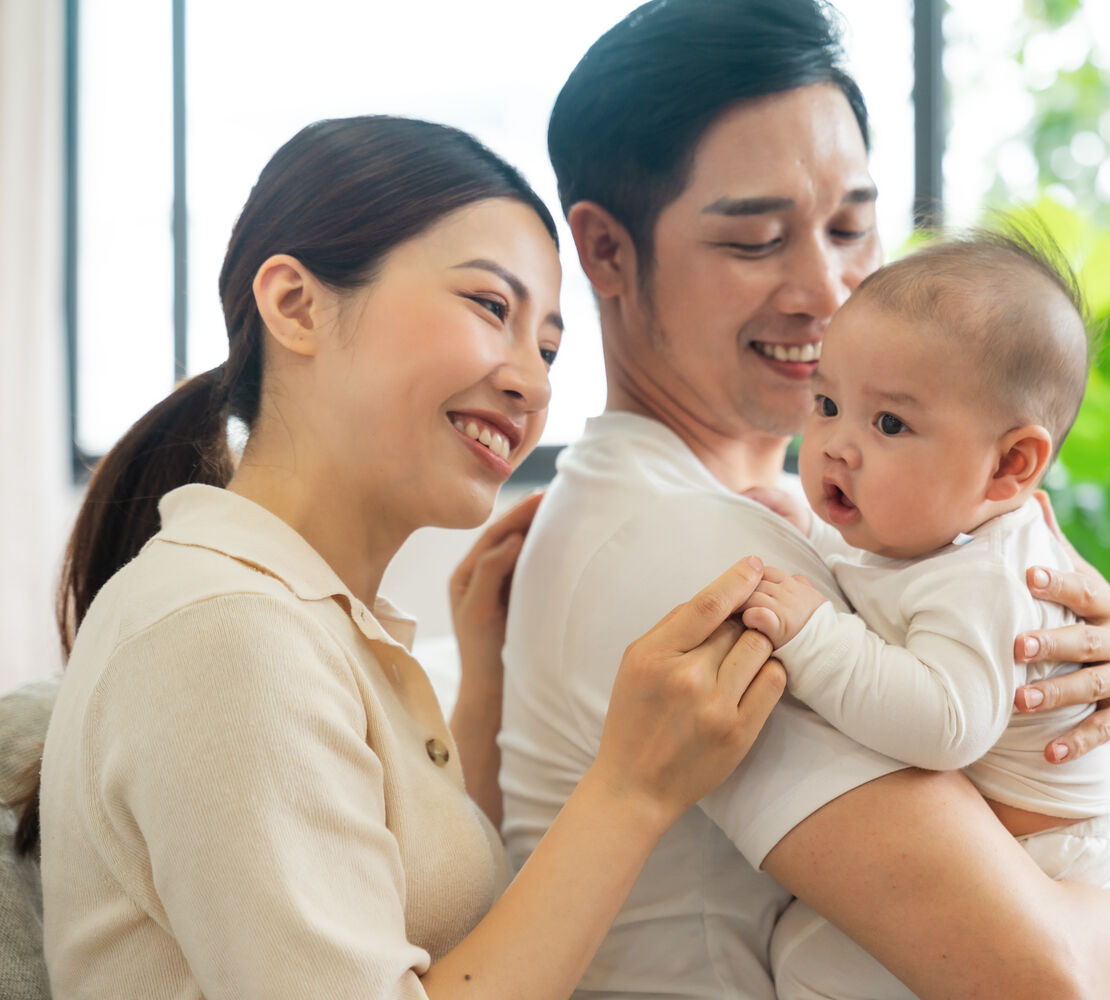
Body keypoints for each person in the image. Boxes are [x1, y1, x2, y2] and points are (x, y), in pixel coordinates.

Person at [500, 1, 1110, 997]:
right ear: (606, 252)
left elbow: (1044, 860)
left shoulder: (802, 518)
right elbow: (1046, 976)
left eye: (850, 227)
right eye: (754, 243)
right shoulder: (706, 557)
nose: (826, 292)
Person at [36, 115, 787, 1000]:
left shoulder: (297, 622)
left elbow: (430, 921)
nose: (535, 383)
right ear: (295, 304)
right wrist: (632, 788)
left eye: (548, 346)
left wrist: (483, 690)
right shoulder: (227, 635)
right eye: (489, 307)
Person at [740, 230, 1110, 999]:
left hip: (1053, 853)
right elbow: (882, 561)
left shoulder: (987, 576)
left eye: (889, 425)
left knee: (809, 963)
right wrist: (807, 520)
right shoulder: (934, 523)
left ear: (1009, 466)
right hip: (1038, 839)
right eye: (826, 404)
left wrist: (816, 636)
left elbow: (944, 724)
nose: (836, 447)